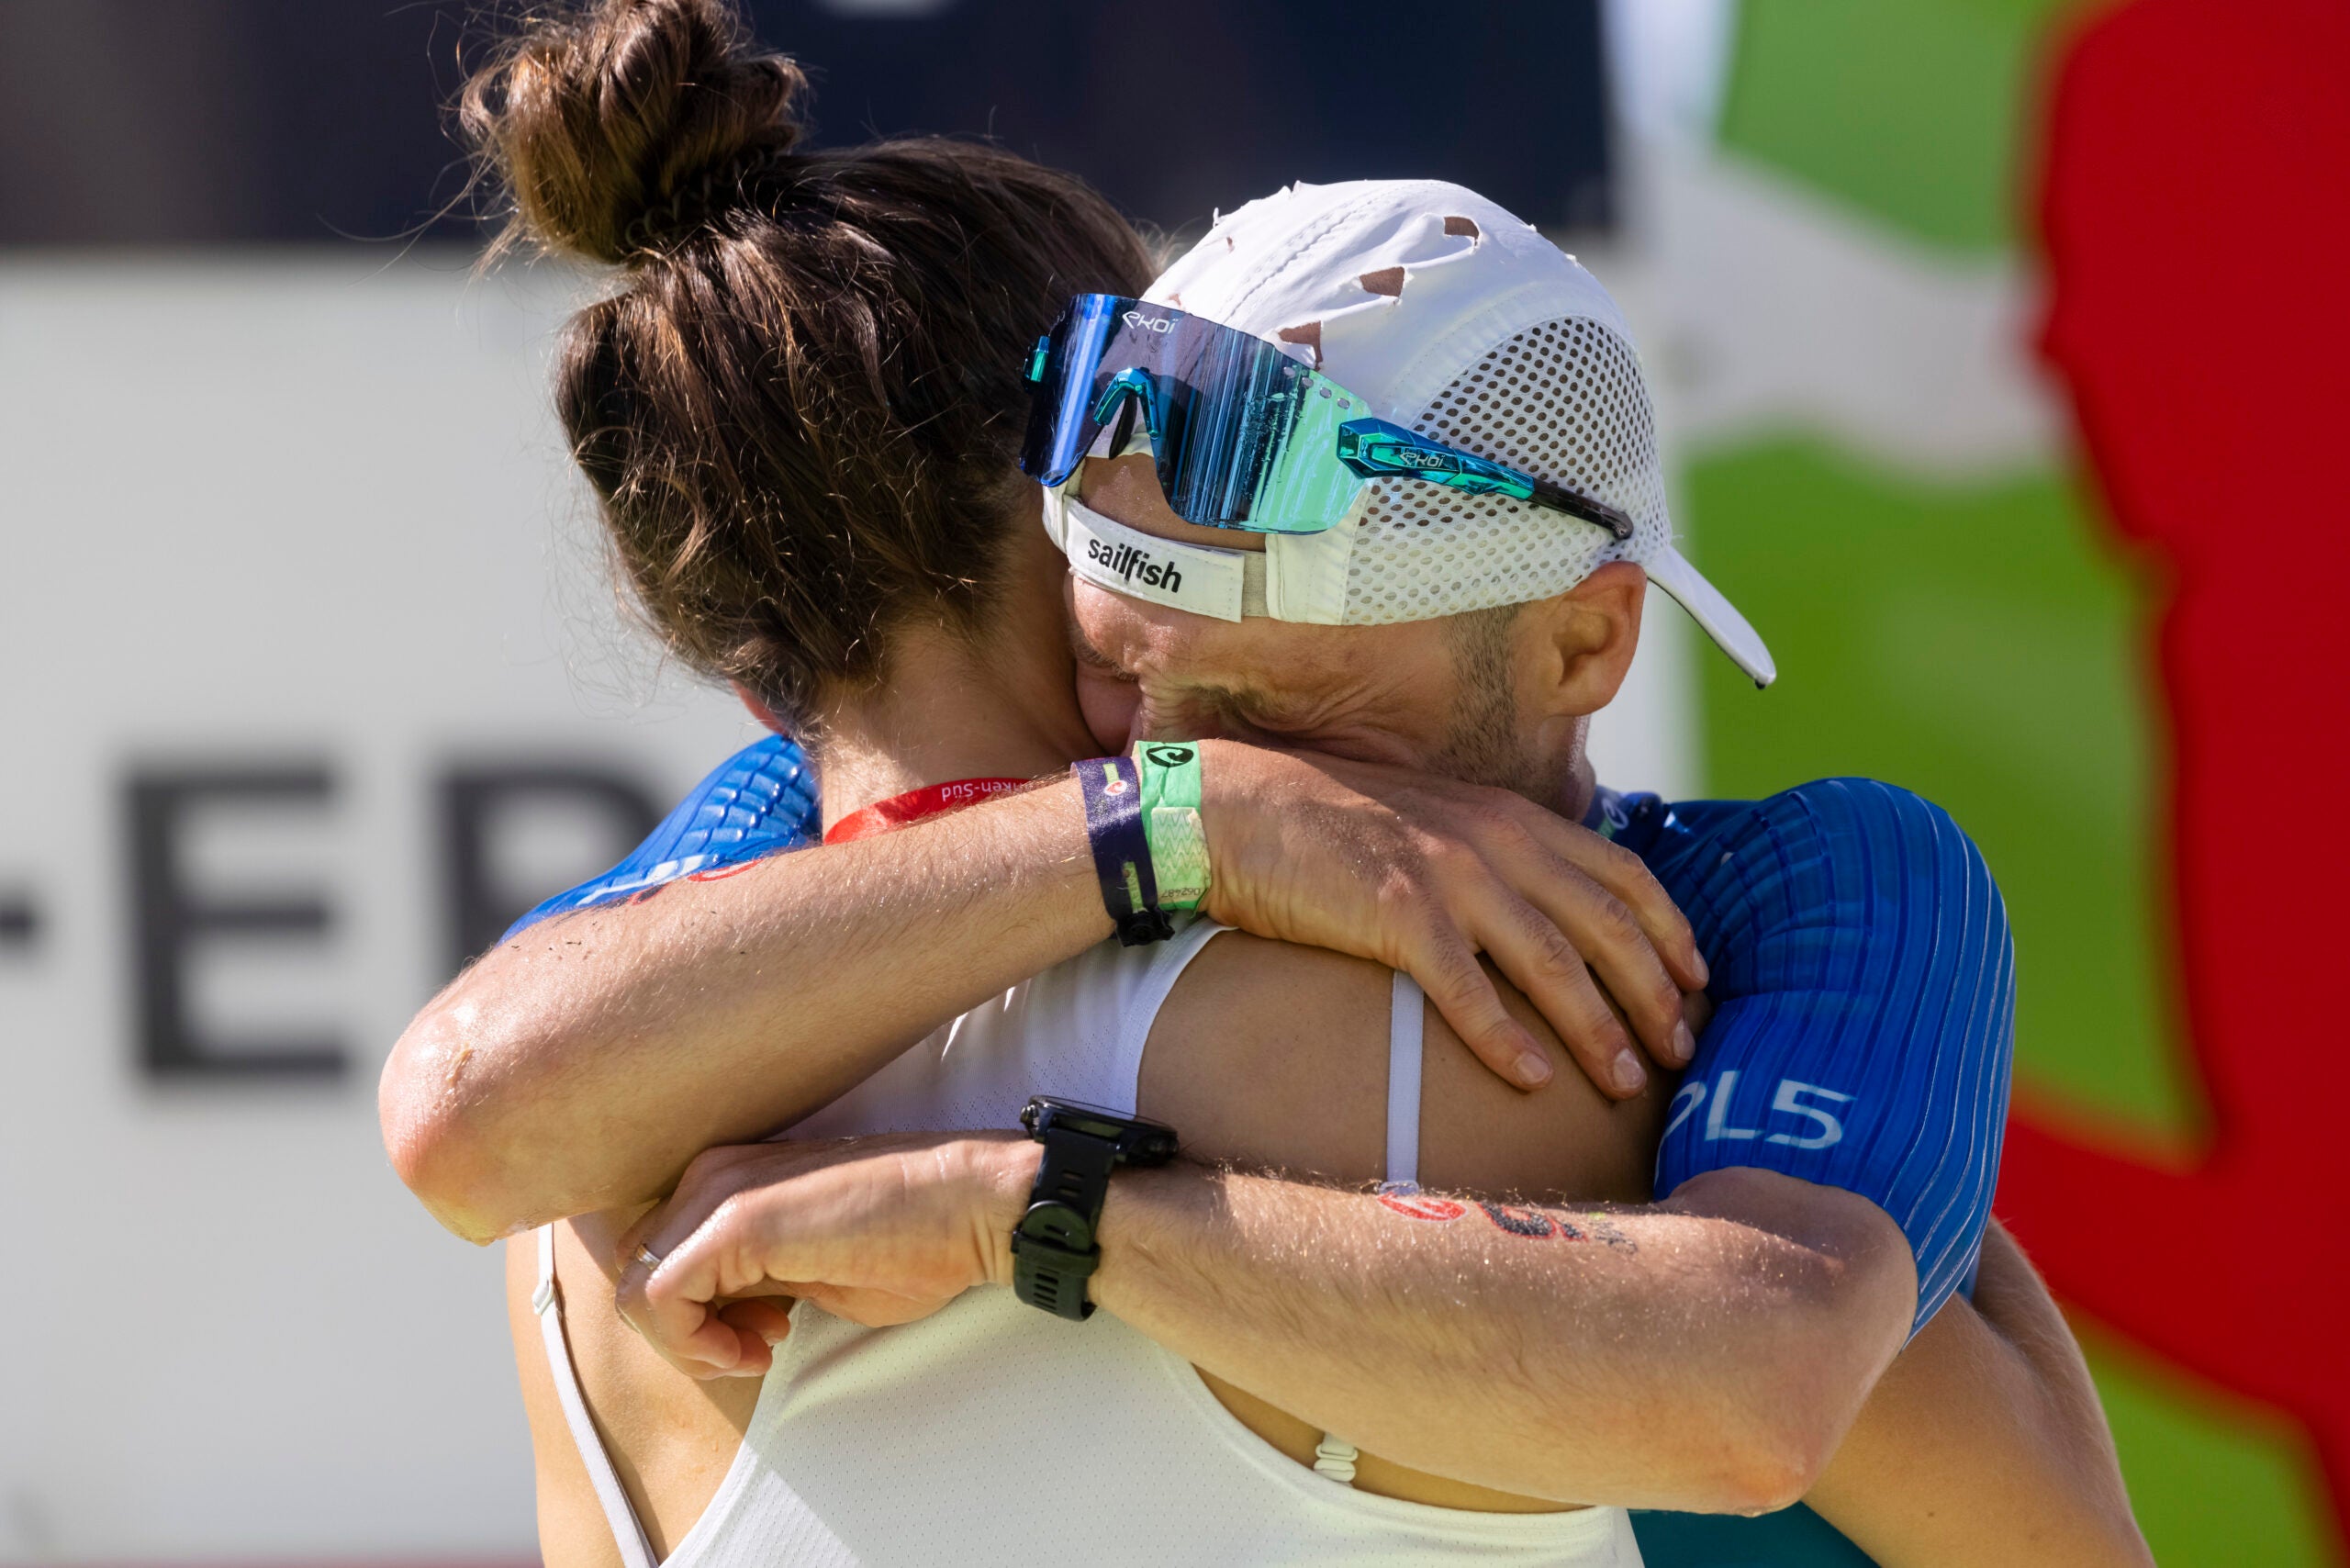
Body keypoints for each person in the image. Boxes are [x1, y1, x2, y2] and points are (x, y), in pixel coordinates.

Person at [381, 5, 2147, 1562]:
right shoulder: (1561, 1042)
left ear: (1584, 649)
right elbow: (1983, 1494)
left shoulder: (722, 1018)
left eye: (1276, 716)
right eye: (1141, 673)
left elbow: (488, 1124)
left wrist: (1022, 1204)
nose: (1183, 745)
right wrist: (1183, 830)